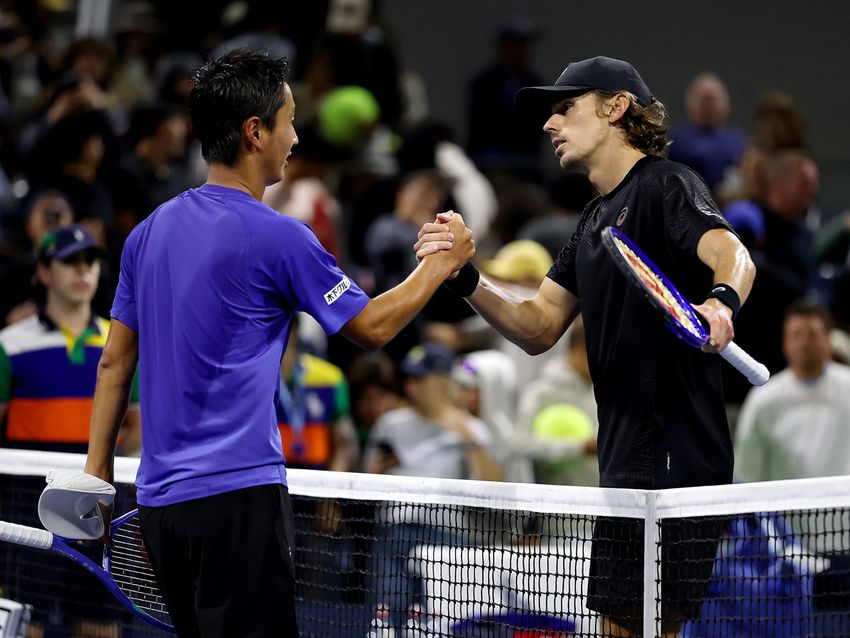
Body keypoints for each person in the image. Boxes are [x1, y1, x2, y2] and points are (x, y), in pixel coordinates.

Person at [82, 49, 473, 638]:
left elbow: (114, 363)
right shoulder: (281, 236)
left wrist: (97, 481)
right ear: (255, 131)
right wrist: (440, 264)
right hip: (238, 501)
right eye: (289, 122)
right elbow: (370, 327)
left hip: (159, 509)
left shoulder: (145, 233)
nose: (295, 138)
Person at [415, 55, 757, 637]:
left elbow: (732, 252)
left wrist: (721, 302)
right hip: (623, 459)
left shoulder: (667, 184)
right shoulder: (595, 220)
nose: (550, 124)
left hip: (673, 455)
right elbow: (538, 324)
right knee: (619, 626)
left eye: (566, 108)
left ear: (616, 107)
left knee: (646, 626)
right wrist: (464, 277)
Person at [735, 301, 850, 482]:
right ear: (785, 343)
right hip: (785, 500)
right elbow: (747, 468)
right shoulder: (764, 398)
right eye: (797, 335)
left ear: (828, 341)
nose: (804, 343)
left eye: (812, 334)